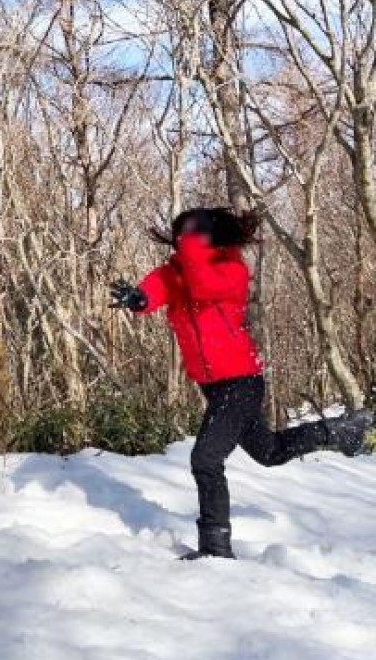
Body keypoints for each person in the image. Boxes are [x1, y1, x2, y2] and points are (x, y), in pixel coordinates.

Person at [110, 207, 372, 560]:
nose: (183, 238)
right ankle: (339, 432)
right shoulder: (175, 272)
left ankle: (215, 549)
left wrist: (190, 247)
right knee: (270, 452)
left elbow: (204, 287)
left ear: (210, 234)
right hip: (214, 387)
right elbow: (155, 290)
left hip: (240, 382)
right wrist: (138, 299)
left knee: (205, 458)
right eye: (181, 232)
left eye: (191, 231)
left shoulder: (231, 269)